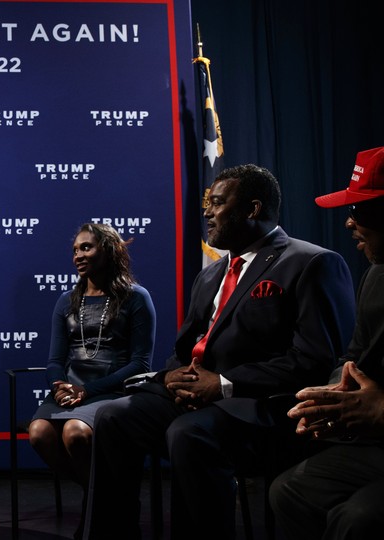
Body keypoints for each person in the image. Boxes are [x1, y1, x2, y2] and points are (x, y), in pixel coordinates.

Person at [84, 164, 356, 540]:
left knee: (188, 434)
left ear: (252, 209)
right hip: (202, 398)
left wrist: (224, 384)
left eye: (217, 203)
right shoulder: (211, 274)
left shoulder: (312, 262)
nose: (207, 212)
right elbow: (186, 348)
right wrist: (176, 375)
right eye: (207, 204)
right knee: (114, 416)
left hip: (261, 405)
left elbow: (315, 359)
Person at [269, 146, 384, 539]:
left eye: (362, 210)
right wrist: (338, 391)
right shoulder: (376, 276)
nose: (350, 222)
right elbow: (354, 355)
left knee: (356, 519)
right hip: (376, 444)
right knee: (289, 491)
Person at [28, 223, 155, 536]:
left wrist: (87, 391)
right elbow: (55, 361)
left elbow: (141, 363)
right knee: (39, 432)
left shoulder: (136, 298)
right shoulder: (67, 300)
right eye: (75, 250)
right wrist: (59, 387)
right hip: (72, 389)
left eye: (86, 248)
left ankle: (98, 507)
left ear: (108, 251)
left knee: (75, 433)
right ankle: (113, 498)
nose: (78, 256)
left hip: (116, 390)